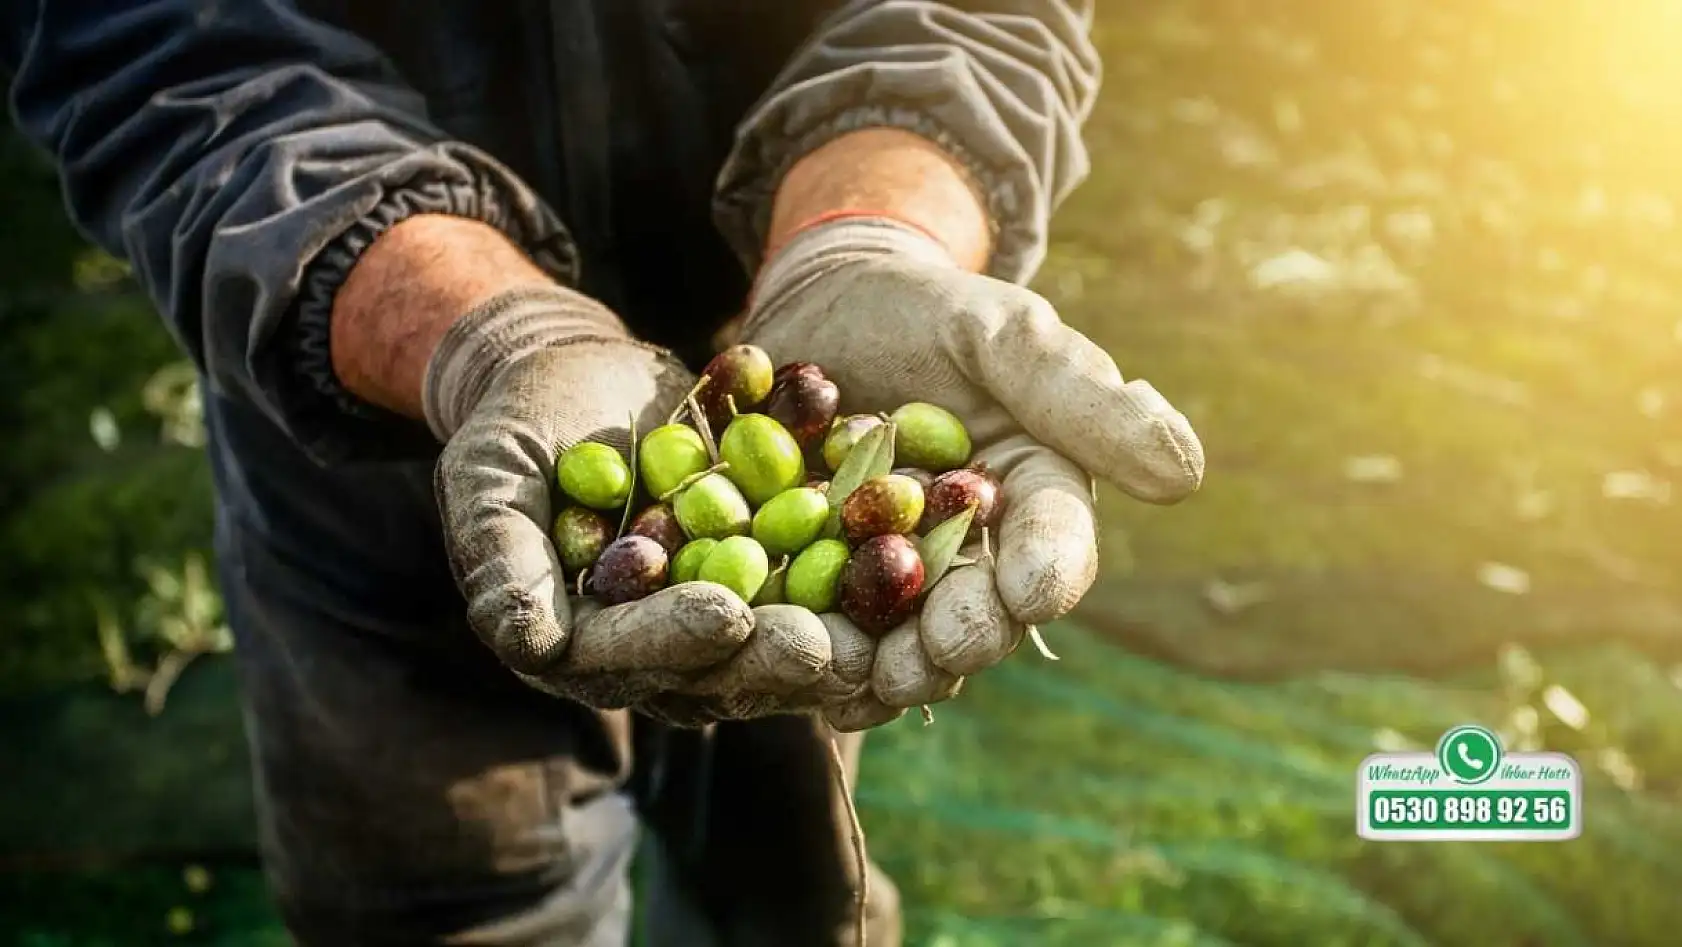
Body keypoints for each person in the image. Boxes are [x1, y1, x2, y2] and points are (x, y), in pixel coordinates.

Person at [3, 1, 1203, 944]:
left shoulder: (804, 491)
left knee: (792, 883)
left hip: (806, 327)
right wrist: (485, 338)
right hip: (370, 424)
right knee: (444, 905)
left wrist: (871, 232)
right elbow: (164, 51)